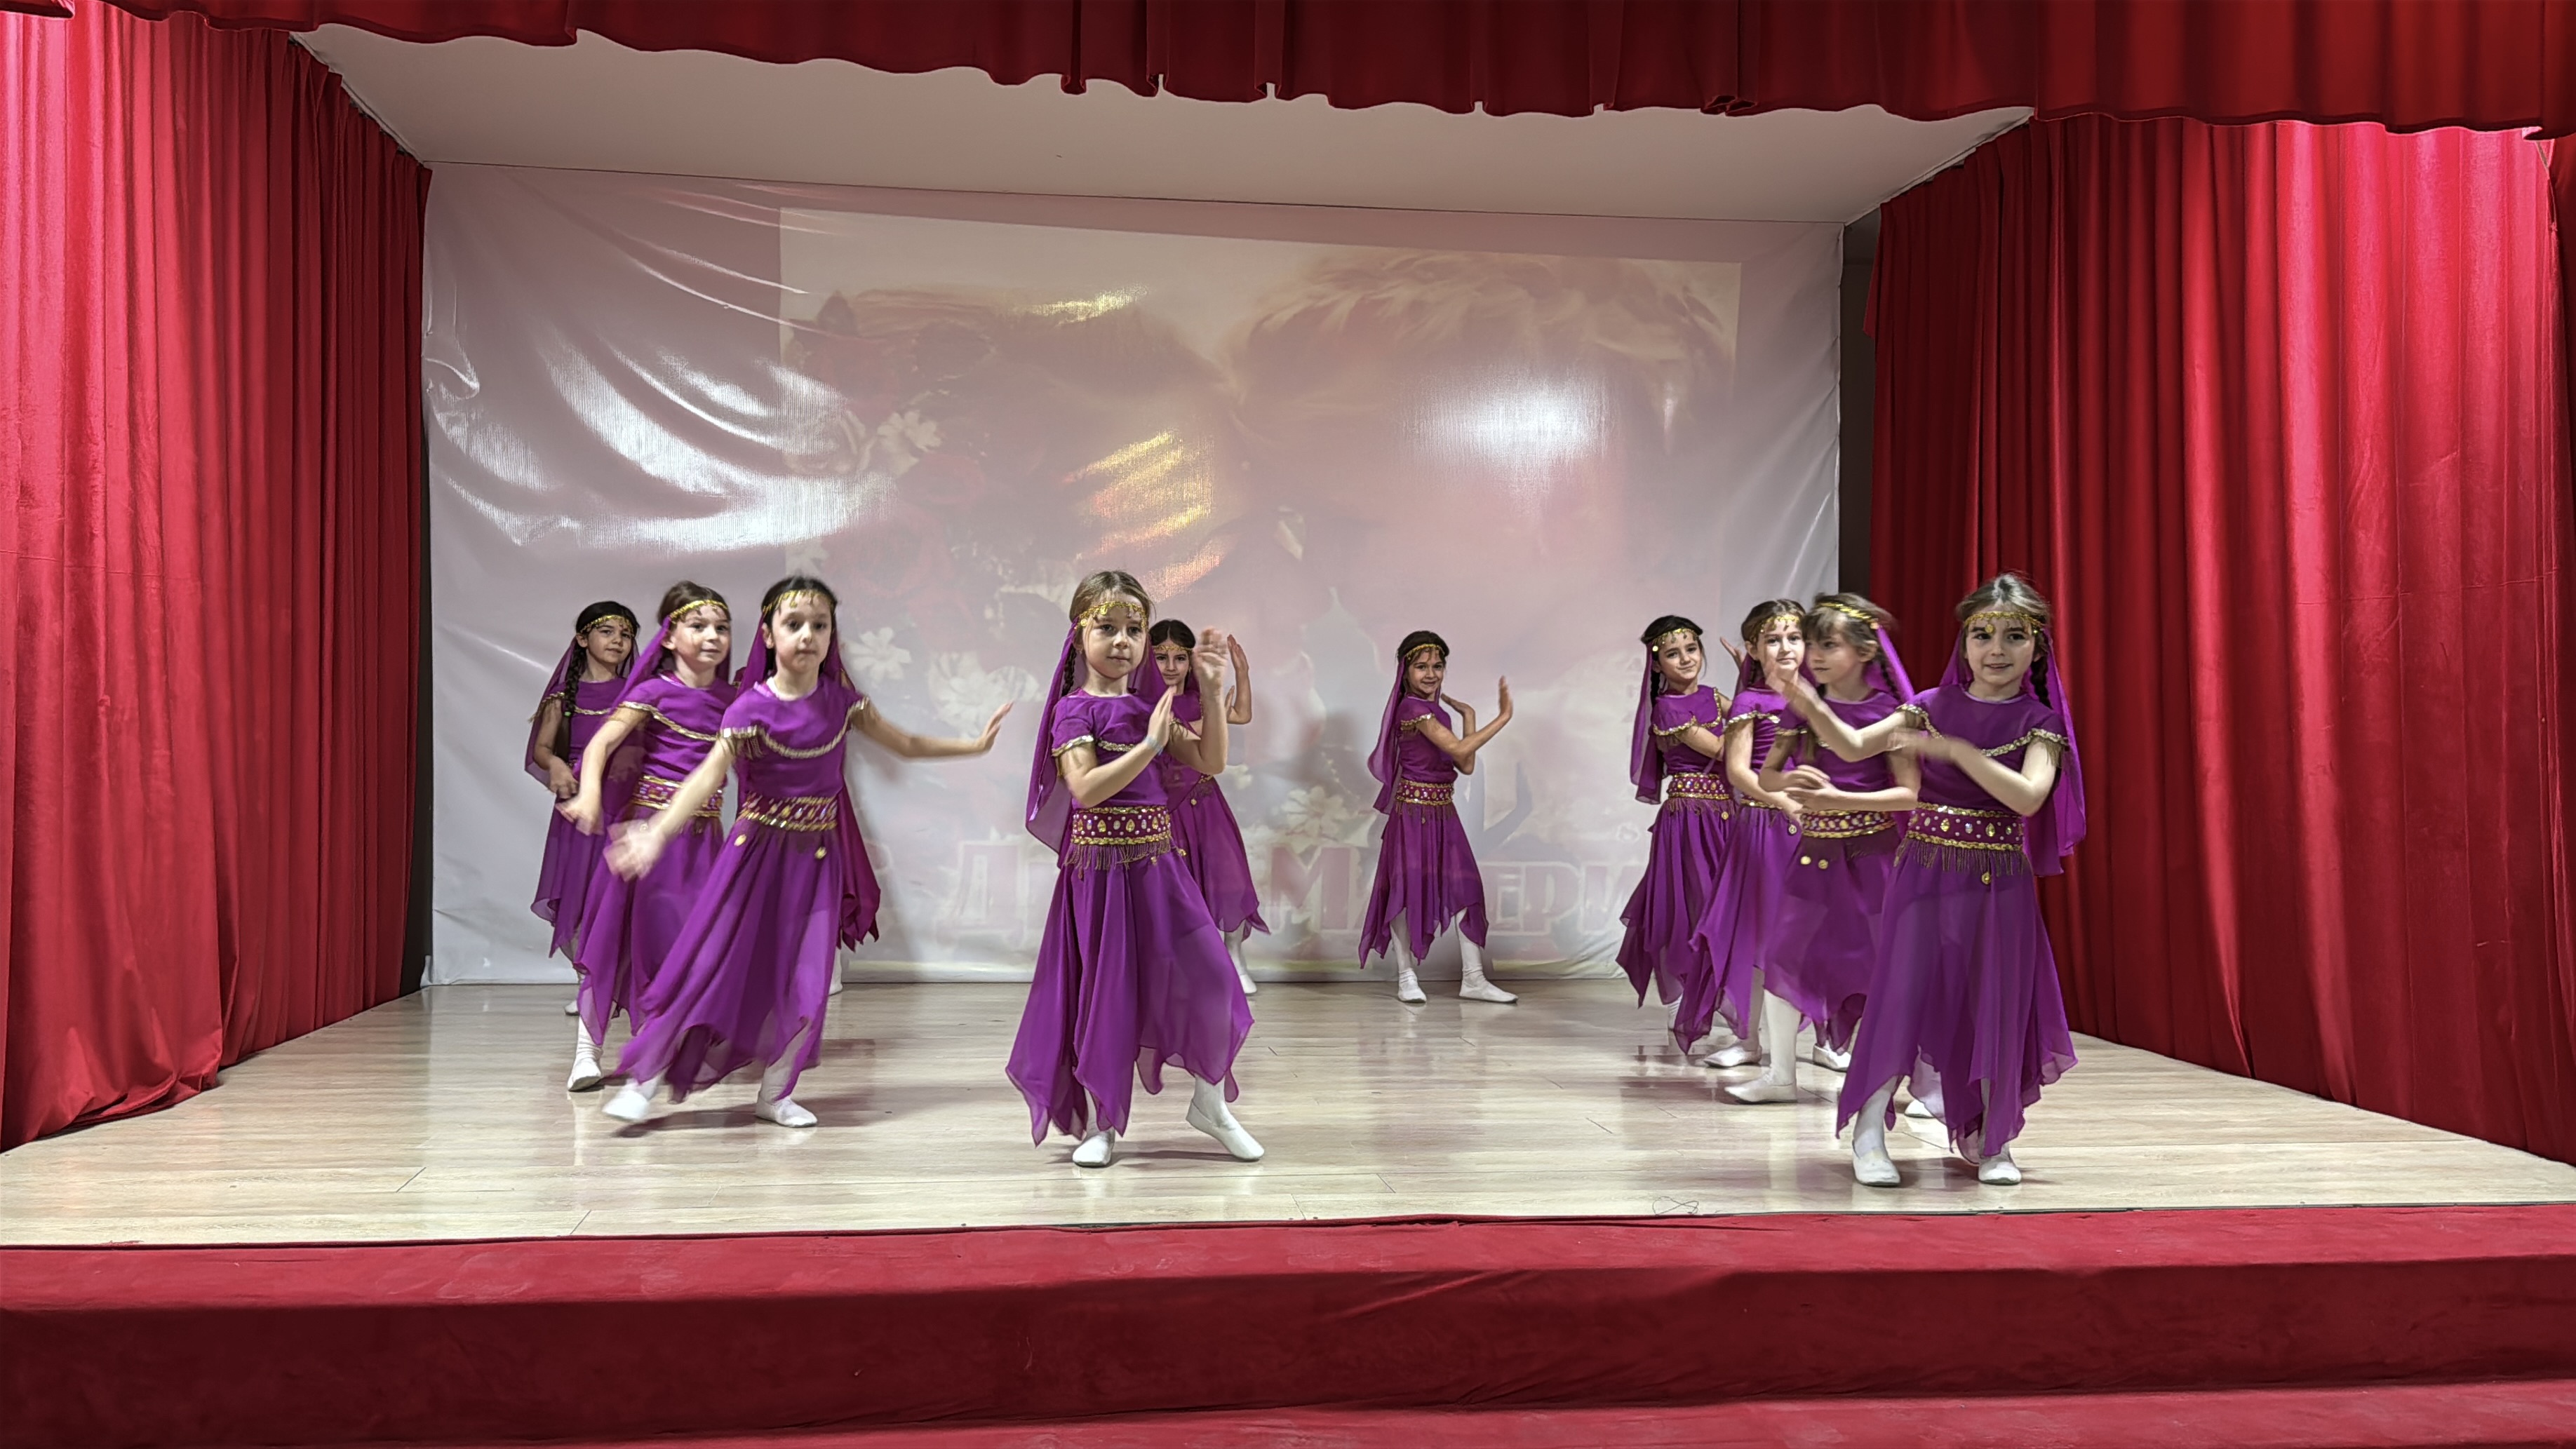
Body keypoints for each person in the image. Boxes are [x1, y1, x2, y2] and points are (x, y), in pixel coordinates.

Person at [600, 577, 1007, 1128]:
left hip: (816, 860)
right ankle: (644, 1081)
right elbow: (706, 778)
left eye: (820, 625)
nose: (808, 635)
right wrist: (657, 832)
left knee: (807, 981)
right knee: (708, 966)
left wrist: (973, 746)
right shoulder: (750, 708)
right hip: (753, 858)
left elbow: (906, 745)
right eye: (794, 624)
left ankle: (775, 1094)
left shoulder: (843, 703)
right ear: (769, 635)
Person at [1815, 574, 2085, 1186]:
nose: (1997, 650)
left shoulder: (2040, 722)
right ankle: (1867, 1132)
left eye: (2014, 636)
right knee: (1901, 993)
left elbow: (2028, 798)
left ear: (2037, 647)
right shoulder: (1929, 705)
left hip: (1999, 880)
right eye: (1983, 635)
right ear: (1964, 642)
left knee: (1994, 1000)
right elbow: (1854, 746)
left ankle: (1994, 1141)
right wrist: (1802, 697)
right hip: (1926, 870)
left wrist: (1962, 753)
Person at [1009, 571, 1263, 1168]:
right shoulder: (1073, 711)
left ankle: (1210, 1106)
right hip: (1098, 876)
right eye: (1108, 628)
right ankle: (1103, 1125)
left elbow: (1210, 761)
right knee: (1108, 996)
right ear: (1080, 635)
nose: (1123, 641)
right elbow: (1085, 789)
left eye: (1134, 629)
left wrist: (1212, 690)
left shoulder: (1151, 708)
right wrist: (1148, 747)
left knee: (1213, 980)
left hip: (1160, 866)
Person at [556, 583, 735, 1091]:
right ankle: (586, 1054)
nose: (712, 636)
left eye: (721, 628)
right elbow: (600, 746)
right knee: (613, 942)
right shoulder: (653, 693)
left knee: (697, 947)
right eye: (698, 626)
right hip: (646, 842)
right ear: (670, 637)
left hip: (704, 842)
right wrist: (591, 796)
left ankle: (672, 1047)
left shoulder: (734, 701)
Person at [1741, 594, 1919, 1098]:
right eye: (1812, 643)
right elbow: (1768, 776)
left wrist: (1840, 798)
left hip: (1873, 856)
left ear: (1865, 651)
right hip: (1813, 854)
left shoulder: (1891, 714)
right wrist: (1789, 782)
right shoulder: (1801, 711)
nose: (1814, 655)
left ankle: (1901, 1081)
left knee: (1887, 967)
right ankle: (1781, 1075)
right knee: (1784, 955)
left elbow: (1910, 793)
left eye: (1829, 645)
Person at [1682, 601, 1808, 1084]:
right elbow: (1737, 771)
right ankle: (1749, 1039)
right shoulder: (1749, 702)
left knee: (1813, 934)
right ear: (1754, 649)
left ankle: (1825, 1041)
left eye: (1794, 638)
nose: (1785, 648)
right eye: (1773, 640)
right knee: (1759, 935)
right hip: (1763, 829)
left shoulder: (1821, 702)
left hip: (1815, 830)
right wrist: (1783, 802)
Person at [1357, 631, 1516, 1005]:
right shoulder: (1413, 709)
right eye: (1421, 666)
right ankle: (1406, 977)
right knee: (1404, 892)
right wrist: (1503, 717)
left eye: (1437, 666)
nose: (1431, 674)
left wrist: (1470, 717)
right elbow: (1460, 749)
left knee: (1466, 888)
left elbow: (1465, 763)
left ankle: (1473, 979)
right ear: (1406, 671)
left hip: (1444, 812)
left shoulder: (1436, 713)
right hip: (1412, 813)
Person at [1614, 616, 1733, 1047]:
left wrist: (1753, 693)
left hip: (1726, 815)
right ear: (1658, 664)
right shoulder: (1667, 707)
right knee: (1687, 905)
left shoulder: (1715, 697)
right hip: (1688, 819)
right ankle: (1680, 997)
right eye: (1673, 654)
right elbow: (1724, 749)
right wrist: (1753, 700)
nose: (1685, 659)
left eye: (1691, 649)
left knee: (1724, 906)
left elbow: (1760, 729)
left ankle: (1717, 995)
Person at [1143, 619, 1266, 995]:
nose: (1170, 666)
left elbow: (1241, 715)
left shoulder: (1200, 698)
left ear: (1191, 661)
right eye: (1161, 657)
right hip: (1168, 810)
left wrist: (1242, 673)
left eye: (1180, 658)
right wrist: (1204, 721)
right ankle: (1186, 966)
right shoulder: (1144, 705)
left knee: (1229, 879)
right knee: (1179, 889)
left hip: (1207, 804)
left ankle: (1235, 959)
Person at [528, 600, 637, 977]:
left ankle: (616, 983)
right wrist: (557, 764)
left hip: (625, 805)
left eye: (626, 634)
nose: (618, 640)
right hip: (580, 807)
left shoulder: (638, 694)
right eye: (607, 631)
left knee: (620, 893)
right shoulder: (563, 697)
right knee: (579, 891)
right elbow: (542, 749)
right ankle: (586, 981)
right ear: (582, 639)